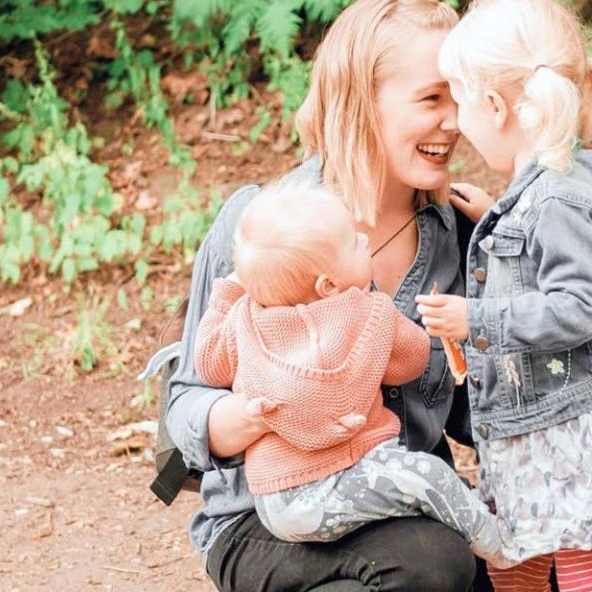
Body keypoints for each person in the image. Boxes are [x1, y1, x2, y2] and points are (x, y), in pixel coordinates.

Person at [165, 0, 482, 591]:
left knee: (510, 568)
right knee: (429, 569)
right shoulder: (261, 223)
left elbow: (475, 416)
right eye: (431, 98)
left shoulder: (458, 235)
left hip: (398, 494)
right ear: (363, 103)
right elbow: (185, 405)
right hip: (267, 513)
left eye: (460, 98)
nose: (455, 121)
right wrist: (238, 419)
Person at [415, 0, 592, 591]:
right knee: (516, 557)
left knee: (582, 567)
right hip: (548, 419)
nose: (455, 123)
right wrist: (501, 214)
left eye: (458, 103)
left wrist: (475, 319)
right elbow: (548, 250)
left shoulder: (555, 198)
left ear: (494, 105)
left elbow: (580, 306)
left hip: (573, 426)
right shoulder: (561, 176)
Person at [193, 181, 511, 566]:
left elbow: (208, 362)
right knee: (428, 476)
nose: (364, 239)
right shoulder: (367, 313)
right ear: (328, 285)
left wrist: (228, 293)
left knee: (410, 493)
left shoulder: (245, 319)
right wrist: (389, 311)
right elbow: (411, 362)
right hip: (338, 478)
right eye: (352, 242)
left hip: (276, 501)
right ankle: (503, 546)